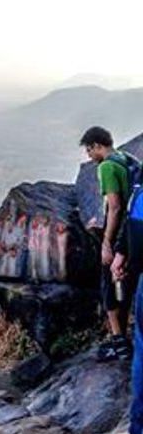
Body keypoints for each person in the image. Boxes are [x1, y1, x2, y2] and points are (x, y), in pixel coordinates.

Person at [80, 127, 139, 362]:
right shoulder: (127, 159)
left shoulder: (106, 166)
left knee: (108, 284)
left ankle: (119, 343)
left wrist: (106, 243)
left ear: (96, 145)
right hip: (135, 231)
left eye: (88, 149)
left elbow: (114, 206)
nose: (88, 155)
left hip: (119, 235)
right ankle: (125, 338)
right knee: (125, 283)